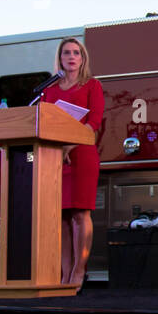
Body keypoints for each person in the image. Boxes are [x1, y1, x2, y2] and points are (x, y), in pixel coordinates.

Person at [43, 37, 104, 286]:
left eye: (76, 53)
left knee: (80, 213)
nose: (71, 57)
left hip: (82, 155)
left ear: (82, 58)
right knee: (62, 217)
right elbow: (44, 123)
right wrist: (58, 148)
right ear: (60, 58)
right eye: (66, 53)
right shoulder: (50, 89)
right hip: (57, 158)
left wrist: (69, 145)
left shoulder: (92, 85)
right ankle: (65, 274)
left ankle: (79, 271)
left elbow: (94, 122)